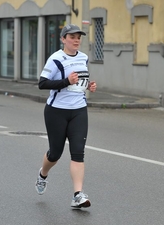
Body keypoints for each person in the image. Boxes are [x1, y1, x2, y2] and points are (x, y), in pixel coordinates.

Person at [36, 24, 97, 208]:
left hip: (79, 110)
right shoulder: (55, 59)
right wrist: (65, 81)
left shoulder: (84, 58)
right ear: (63, 39)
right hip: (57, 111)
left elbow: (79, 82)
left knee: (78, 152)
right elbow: (42, 83)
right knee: (55, 153)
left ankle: (78, 195)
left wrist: (88, 86)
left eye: (79, 37)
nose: (76, 40)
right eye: (72, 37)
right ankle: (42, 175)